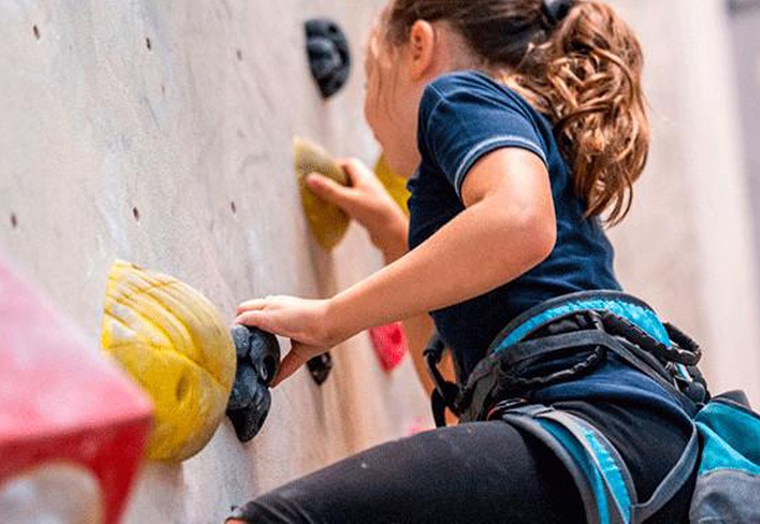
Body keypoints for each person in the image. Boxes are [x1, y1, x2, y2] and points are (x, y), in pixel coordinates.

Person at [229, 0, 700, 522]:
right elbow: (456, 410)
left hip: (597, 438)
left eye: (369, 78)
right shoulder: (551, 185)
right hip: (638, 468)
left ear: (418, 48)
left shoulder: (460, 93)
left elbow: (519, 221)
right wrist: (393, 241)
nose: (367, 110)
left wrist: (330, 318)